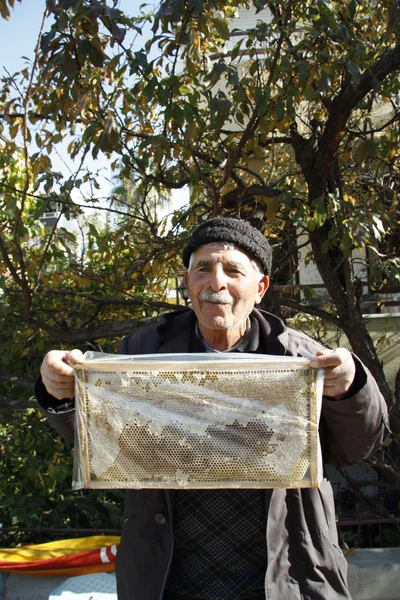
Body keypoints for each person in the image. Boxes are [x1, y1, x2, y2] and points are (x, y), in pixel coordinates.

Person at [36, 217, 389, 600]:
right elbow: (105, 446)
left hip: (283, 578)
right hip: (169, 581)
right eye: (203, 269)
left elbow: (357, 446)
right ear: (189, 283)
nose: (215, 282)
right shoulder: (143, 354)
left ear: (261, 288)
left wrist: (350, 387)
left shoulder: (302, 358)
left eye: (233, 270)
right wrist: (62, 392)